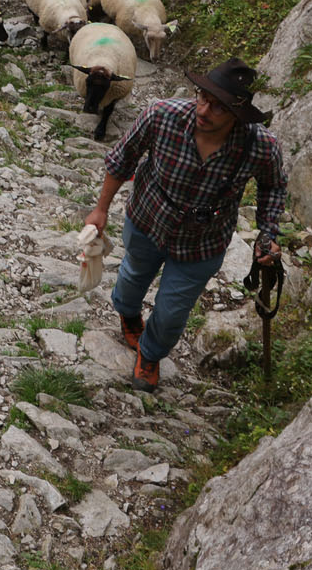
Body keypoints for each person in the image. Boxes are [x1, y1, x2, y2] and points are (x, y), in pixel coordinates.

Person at [84, 58, 287, 392]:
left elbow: (274, 185)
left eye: (218, 107)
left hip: (203, 242)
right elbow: (123, 159)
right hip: (148, 219)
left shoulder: (260, 146)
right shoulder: (161, 116)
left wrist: (268, 233)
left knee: (173, 311)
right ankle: (128, 314)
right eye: (202, 97)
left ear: (237, 114)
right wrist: (100, 209)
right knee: (133, 276)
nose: (204, 110)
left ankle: (150, 354)